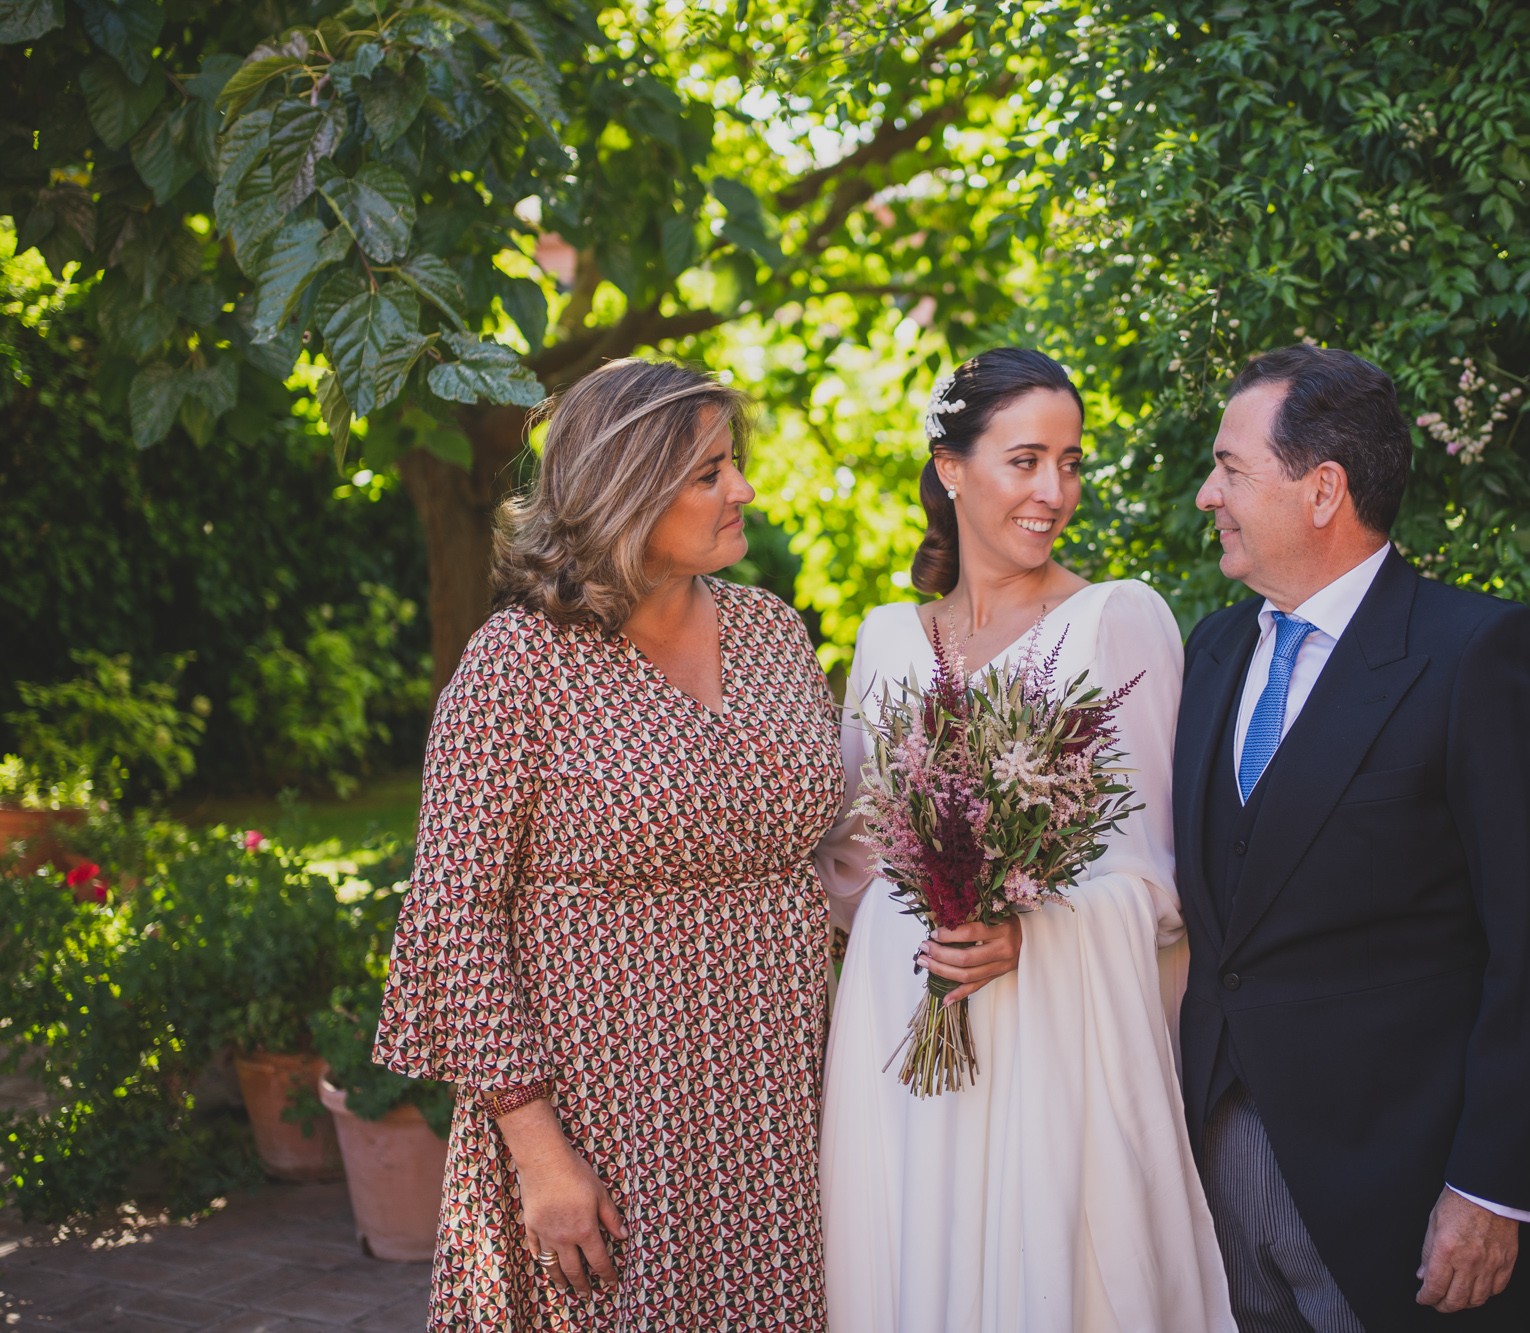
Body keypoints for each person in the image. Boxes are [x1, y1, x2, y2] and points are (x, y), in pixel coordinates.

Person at [375, 358, 846, 1329]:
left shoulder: (771, 632)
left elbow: (835, 843)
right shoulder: (518, 666)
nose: (742, 489)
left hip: (773, 1098)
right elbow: (452, 915)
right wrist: (539, 1150)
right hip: (602, 1113)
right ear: (624, 487)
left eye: (734, 462)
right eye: (709, 472)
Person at [1173, 345, 1530, 1331]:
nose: (1207, 494)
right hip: (1214, 1171)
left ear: (1322, 489)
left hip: (1397, 1199)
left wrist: (1494, 1187)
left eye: (1230, 468)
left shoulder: (1475, 655)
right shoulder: (1213, 648)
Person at [817, 348, 1236, 1332]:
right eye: (1025, 460)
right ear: (950, 468)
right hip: (897, 1018)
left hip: (1050, 1032)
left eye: (1071, 461)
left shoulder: (1115, 621)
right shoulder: (882, 636)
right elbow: (854, 857)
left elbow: (1163, 878)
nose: (1054, 490)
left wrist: (1030, 930)